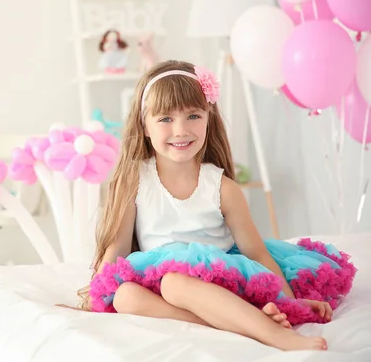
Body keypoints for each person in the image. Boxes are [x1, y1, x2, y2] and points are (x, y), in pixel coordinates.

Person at [75, 60, 357, 351]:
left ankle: (277, 336)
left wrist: (289, 304)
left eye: (193, 116)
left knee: (174, 282)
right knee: (125, 297)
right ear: (144, 125)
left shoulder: (221, 188)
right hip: (157, 284)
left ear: (209, 118)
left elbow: (257, 252)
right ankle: (242, 322)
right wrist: (97, 292)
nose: (181, 130)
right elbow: (118, 248)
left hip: (220, 281)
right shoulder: (134, 180)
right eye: (165, 119)